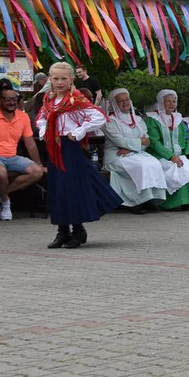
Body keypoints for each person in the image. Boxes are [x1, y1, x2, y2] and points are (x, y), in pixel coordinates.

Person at [35, 62, 122, 248]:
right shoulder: (49, 100)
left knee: (70, 188)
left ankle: (77, 229)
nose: (59, 82)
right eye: (55, 78)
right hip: (54, 147)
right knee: (57, 188)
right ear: (50, 79)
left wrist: (80, 130)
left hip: (69, 147)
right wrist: (44, 130)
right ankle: (62, 230)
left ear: (71, 80)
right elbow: (42, 118)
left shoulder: (76, 99)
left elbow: (98, 116)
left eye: (63, 78)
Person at [0, 86, 45, 221]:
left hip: (12, 156)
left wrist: (39, 163)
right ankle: (5, 202)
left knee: (37, 171)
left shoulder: (23, 117)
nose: (12, 103)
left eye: (14, 99)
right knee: (1, 172)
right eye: (8, 100)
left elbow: (30, 143)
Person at [103, 88, 168, 213]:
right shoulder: (110, 121)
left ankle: (152, 199)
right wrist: (138, 142)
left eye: (126, 99)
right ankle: (136, 202)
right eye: (120, 101)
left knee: (154, 163)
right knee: (140, 166)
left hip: (135, 153)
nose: (125, 102)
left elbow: (147, 141)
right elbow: (119, 141)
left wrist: (131, 147)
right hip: (116, 157)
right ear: (114, 105)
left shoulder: (137, 119)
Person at [145, 89, 189, 211]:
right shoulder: (153, 119)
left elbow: (186, 139)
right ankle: (173, 203)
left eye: (174, 101)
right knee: (175, 168)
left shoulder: (178, 119)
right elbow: (154, 142)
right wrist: (170, 156)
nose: (171, 104)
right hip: (160, 156)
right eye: (168, 101)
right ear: (161, 102)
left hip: (179, 154)